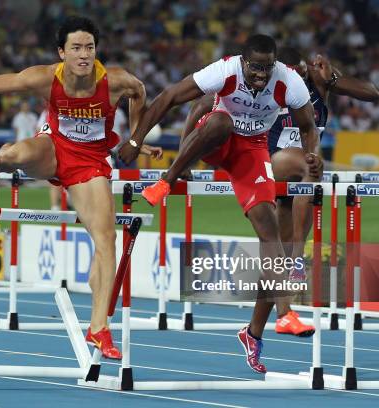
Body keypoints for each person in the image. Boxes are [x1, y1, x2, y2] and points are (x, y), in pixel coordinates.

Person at [0, 16, 162, 360]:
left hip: (90, 163)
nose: (84, 55)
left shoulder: (115, 81)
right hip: (54, 150)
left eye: (89, 47)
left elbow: (139, 92)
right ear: (62, 52)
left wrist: (135, 140)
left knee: (107, 239)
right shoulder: (43, 78)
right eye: (76, 48)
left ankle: (99, 328)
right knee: (10, 153)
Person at [119, 34, 322, 374]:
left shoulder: (289, 81)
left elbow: (308, 126)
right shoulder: (225, 70)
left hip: (252, 150)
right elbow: (170, 97)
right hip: (216, 140)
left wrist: (313, 155)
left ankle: (267, 326)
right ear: (244, 62)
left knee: (269, 233)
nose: (261, 75)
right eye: (255, 68)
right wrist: (136, 139)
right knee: (220, 119)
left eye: (267, 68)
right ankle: (167, 180)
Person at [179, 47, 379, 338]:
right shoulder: (262, 87)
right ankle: (300, 257)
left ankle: (269, 322)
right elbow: (200, 106)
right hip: (269, 165)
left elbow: (372, 93)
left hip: (297, 189)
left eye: (300, 71)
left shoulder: (314, 86)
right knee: (309, 166)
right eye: (288, 72)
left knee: (277, 256)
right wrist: (184, 157)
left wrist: (333, 77)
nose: (293, 78)